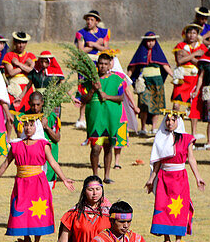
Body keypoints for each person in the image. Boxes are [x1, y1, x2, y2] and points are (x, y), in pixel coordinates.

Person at [0, 114, 74, 242]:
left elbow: (53, 163)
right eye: (26, 125)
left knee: (37, 212)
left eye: (31, 125)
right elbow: (5, 164)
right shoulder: (16, 145)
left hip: (38, 183)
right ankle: (26, 239)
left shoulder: (43, 144)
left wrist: (64, 178)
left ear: (36, 127)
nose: (28, 128)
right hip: (21, 184)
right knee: (21, 210)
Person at [147, 110, 204, 242]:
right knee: (162, 206)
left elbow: (191, 159)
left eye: (173, 120)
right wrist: (151, 179)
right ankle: (166, 239)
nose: (170, 123)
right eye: (167, 120)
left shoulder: (186, 139)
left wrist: (198, 177)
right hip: (164, 178)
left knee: (179, 208)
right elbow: (158, 162)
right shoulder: (161, 138)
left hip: (179, 179)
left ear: (178, 122)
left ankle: (178, 240)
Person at [84, 52, 126, 183]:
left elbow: (121, 97)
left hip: (111, 118)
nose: (102, 66)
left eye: (105, 64)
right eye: (100, 64)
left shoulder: (117, 79)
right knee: (96, 148)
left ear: (110, 65)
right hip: (96, 118)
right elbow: (83, 99)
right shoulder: (90, 80)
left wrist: (106, 96)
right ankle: (95, 175)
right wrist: (92, 89)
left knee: (108, 147)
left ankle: (107, 176)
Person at [128, 33, 173, 135]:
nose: (150, 43)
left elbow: (165, 66)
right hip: (144, 83)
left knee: (156, 105)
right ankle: (143, 128)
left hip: (157, 82)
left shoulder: (158, 53)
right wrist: (125, 78)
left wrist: (173, 76)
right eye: (148, 41)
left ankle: (154, 127)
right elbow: (133, 67)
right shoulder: (140, 52)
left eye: (152, 40)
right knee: (144, 105)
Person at [74, 11, 110, 128]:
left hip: (100, 63)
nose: (89, 22)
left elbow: (106, 49)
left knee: (100, 87)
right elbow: (80, 51)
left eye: (92, 20)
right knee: (85, 89)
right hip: (85, 63)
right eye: (87, 19)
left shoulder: (104, 32)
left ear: (97, 21)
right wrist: (94, 45)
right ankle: (82, 117)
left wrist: (94, 44)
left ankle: (100, 114)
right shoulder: (81, 33)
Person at [172, 25, 206, 126]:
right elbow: (180, 61)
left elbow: (200, 64)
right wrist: (194, 55)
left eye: (194, 33)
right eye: (189, 33)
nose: (191, 35)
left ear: (197, 35)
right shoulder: (180, 45)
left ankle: (193, 133)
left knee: (194, 107)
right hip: (182, 78)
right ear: (185, 34)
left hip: (195, 79)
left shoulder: (202, 47)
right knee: (176, 104)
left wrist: (187, 56)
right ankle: (174, 126)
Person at [0, 32, 35, 111]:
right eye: (19, 42)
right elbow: (11, 73)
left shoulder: (30, 56)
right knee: (13, 113)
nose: (21, 45)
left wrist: (18, 64)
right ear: (15, 42)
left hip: (27, 88)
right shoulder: (9, 56)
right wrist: (25, 65)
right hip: (13, 88)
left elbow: (32, 71)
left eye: (23, 42)